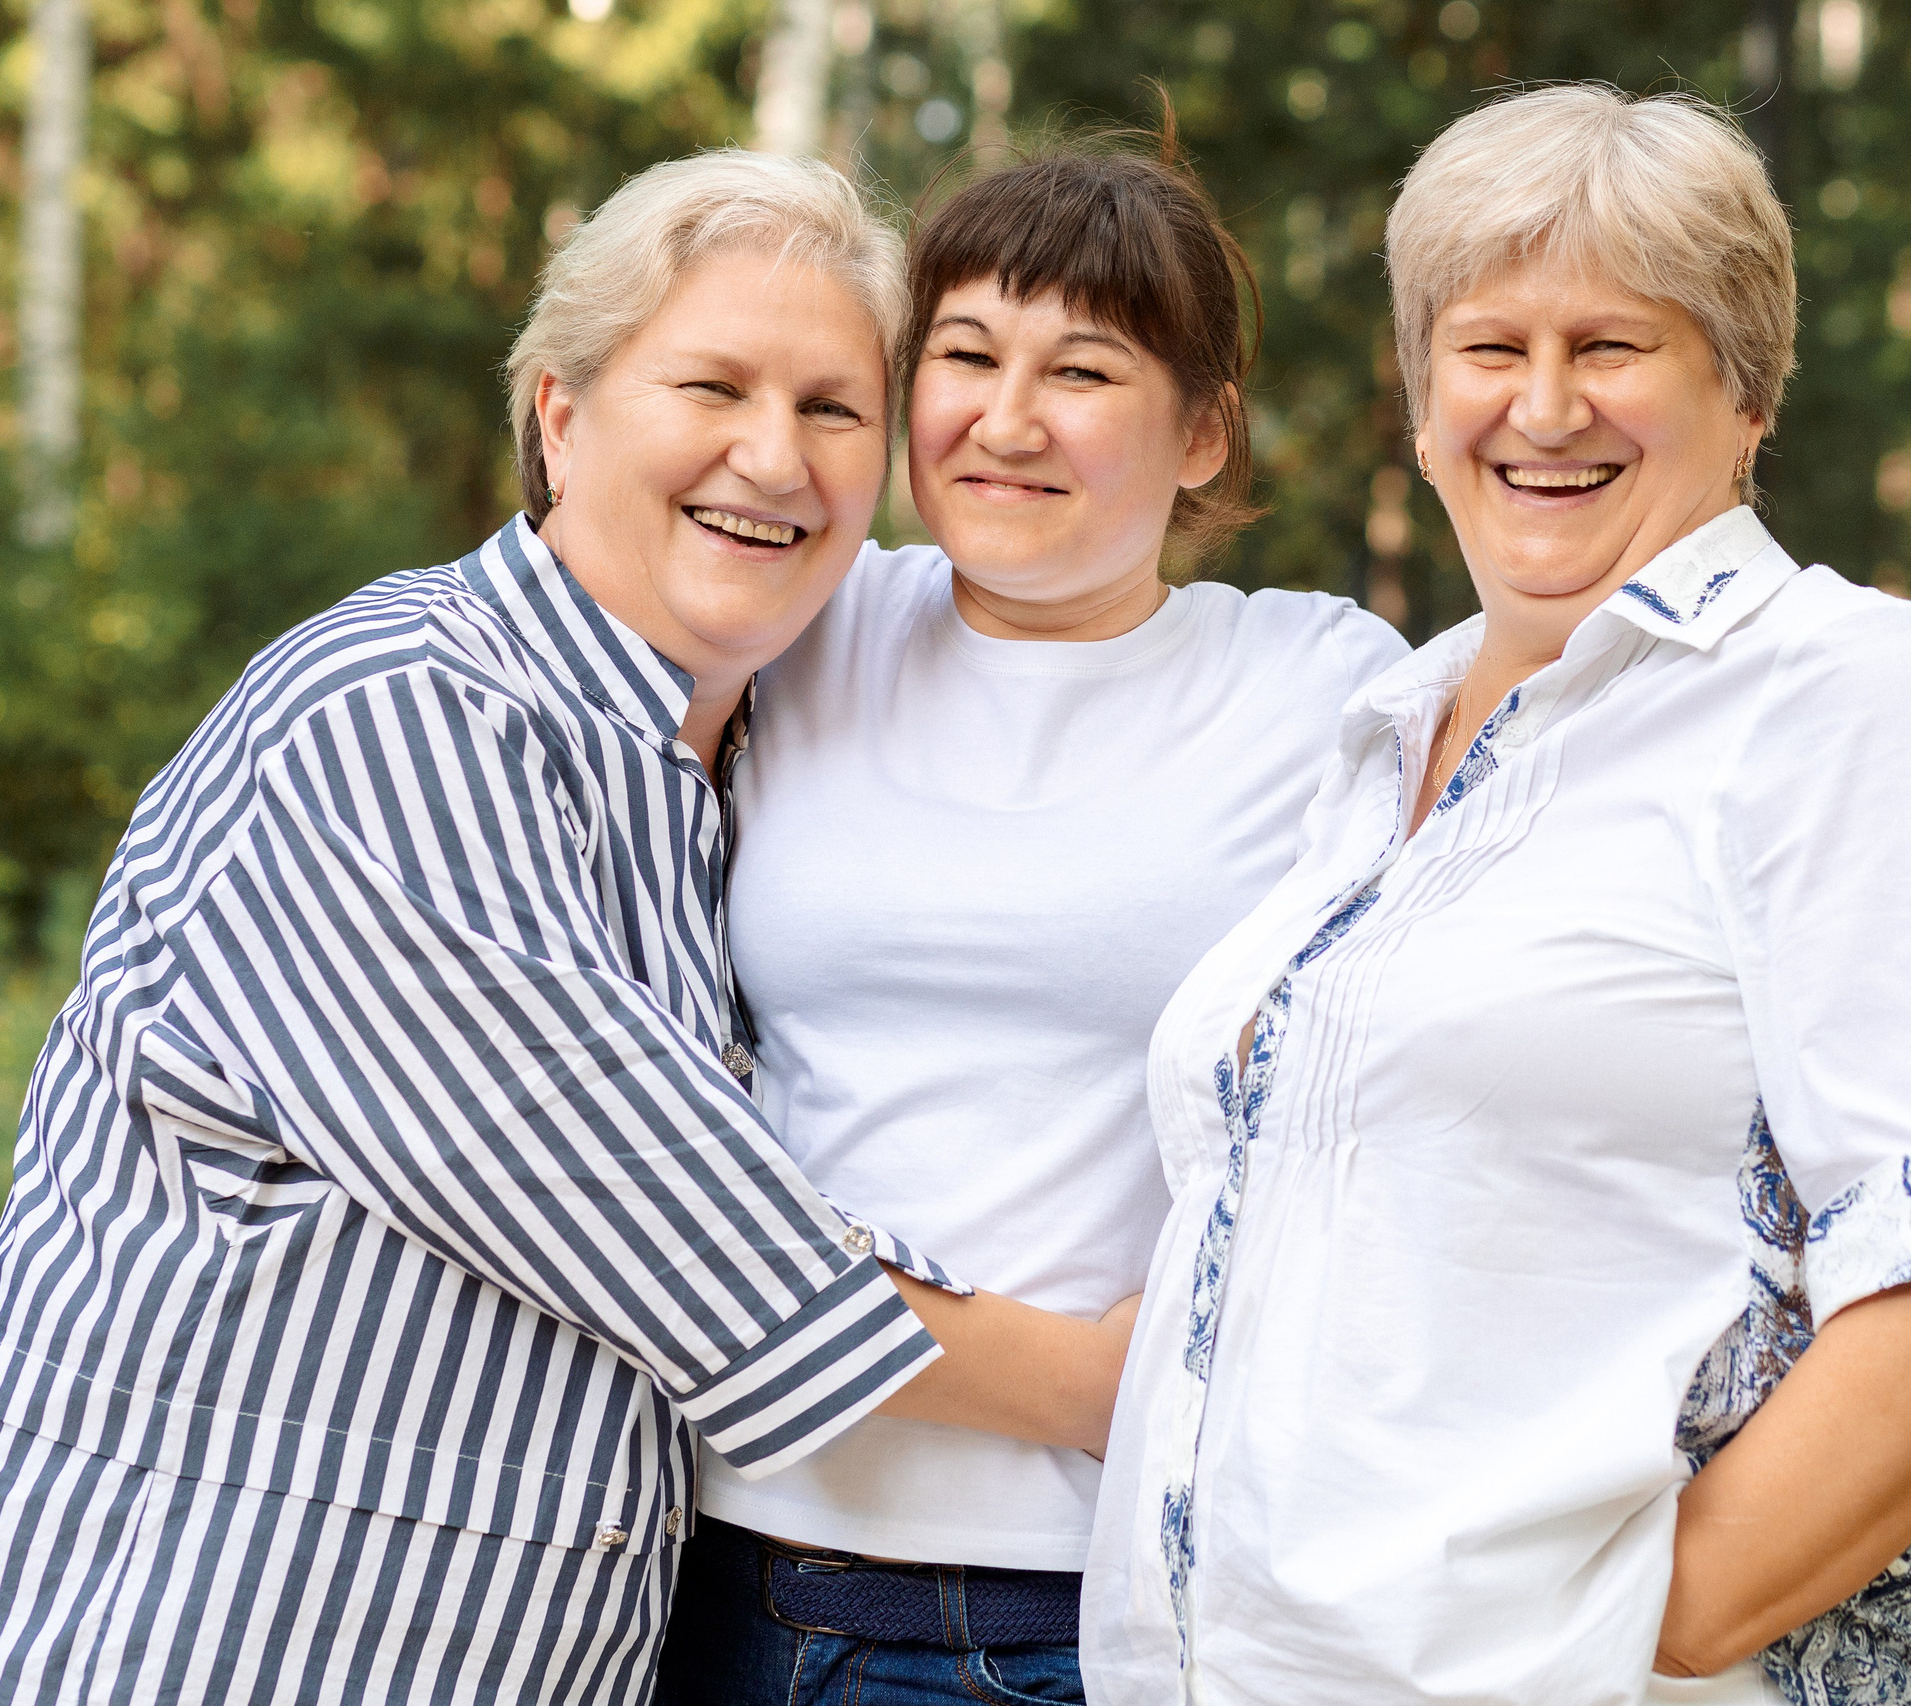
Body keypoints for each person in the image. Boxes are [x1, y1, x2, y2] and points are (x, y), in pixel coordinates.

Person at [0, 150, 1134, 1706]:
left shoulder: (728, 763)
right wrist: (1137, 1383)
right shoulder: (401, 719)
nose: (772, 458)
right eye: (711, 385)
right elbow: (687, 1233)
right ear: (561, 413)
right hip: (172, 1646)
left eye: (832, 409)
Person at [1081, 85, 1911, 1706]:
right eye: (1490, 348)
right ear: (1425, 401)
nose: (1544, 407)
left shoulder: (1845, 696)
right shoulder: (1384, 734)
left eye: (1616, 348)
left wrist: (1646, 1634)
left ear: (1749, 392)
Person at [652, 136, 1411, 1705]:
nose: (1006, 420)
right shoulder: (803, 622)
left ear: (1204, 431)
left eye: (1082, 370)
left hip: (1091, 1599)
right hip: (724, 1559)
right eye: (965, 354)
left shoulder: (1321, 682)